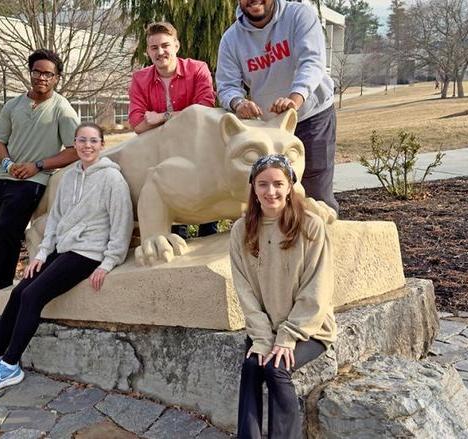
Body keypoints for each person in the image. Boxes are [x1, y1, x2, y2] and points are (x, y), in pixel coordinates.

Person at [0, 123, 134, 392]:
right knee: (20, 292)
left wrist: (109, 261)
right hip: (64, 249)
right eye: (81, 141)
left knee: (33, 296)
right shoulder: (69, 177)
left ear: (102, 145)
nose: (87, 146)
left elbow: (121, 223)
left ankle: (10, 365)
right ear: (74, 144)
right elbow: (55, 220)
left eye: (93, 141)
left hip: (89, 253)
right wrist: (41, 253)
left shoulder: (112, 179)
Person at [229, 154, 336, 438]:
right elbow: (245, 293)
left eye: (278, 183)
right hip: (267, 328)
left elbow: (317, 288)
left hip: (309, 329)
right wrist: (264, 338)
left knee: (276, 369)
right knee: (252, 366)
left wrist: (287, 337)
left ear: (290, 186)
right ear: (253, 187)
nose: (271, 191)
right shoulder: (241, 231)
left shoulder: (310, 226)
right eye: (263, 184)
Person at [0, 49, 80, 314]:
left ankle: (3, 291)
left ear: (56, 78)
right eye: (37, 71)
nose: (41, 77)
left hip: (32, 182)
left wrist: (37, 165)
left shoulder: (62, 109)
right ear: (30, 73)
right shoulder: (13, 105)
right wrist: (7, 164)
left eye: (48, 74)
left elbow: (75, 149)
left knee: (8, 232)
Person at [216, 0, 339, 212]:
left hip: (312, 115)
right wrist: (238, 103)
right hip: (272, 128)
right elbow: (226, 86)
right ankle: (282, 243)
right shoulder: (231, 39)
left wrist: (295, 99)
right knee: (275, 196)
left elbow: (312, 62)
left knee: (316, 195)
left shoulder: (299, 15)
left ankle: (324, 241)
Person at [128, 21, 219, 239]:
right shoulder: (140, 79)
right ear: (147, 51)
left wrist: (162, 117)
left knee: (208, 216)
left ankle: (211, 245)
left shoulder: (197, 69)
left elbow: (204, 110)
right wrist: (185, 115)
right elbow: (138, 123)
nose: (160, 52)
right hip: (164, 153)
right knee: (175, 215)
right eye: (154, 48)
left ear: (176, 45)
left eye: (165, 45)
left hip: (199, 150)